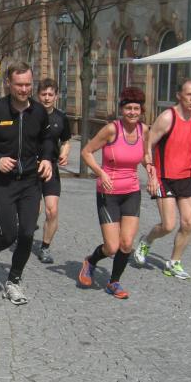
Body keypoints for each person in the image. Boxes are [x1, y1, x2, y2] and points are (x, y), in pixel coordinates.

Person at [0, 61, 54, 305]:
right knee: (9, 235)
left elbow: (48, 139)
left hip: (30, 182)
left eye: (28, 84)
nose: (24, 89)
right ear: (8, 83)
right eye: (19, 85)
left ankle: (13, 281)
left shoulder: (39, 112)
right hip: (4, 183)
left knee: (26, 234)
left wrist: (47, 158)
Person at [133, 78, 191, 279]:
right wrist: (152, 175)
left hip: (187, 178)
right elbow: (147, 146)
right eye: (189, 94)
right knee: (168, 225)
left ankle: (174, 262)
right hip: (164, 178)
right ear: (179, 95)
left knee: (188, 223)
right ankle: (146, 240)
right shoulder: (167, 118)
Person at [77, 87, 155, 299]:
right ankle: (91, 261)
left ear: (141, 110)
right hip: (108, 193)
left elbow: (145, 155)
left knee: (127, 243)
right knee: (112, 247)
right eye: (128, 108)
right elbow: (86, 152)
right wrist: (101, 173)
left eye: (136, 108)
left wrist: (151, 171)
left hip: (131, 191)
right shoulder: (111, 130)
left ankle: (114, 282)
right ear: (122, 109)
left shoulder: (144, 130)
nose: (132, 112)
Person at [35, 78, 71, 264]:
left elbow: (66, 141)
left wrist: (64, 153)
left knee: (52, 211)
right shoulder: (29, 114)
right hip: (31, 168)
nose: (47, 98)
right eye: (44, 94)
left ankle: (45, 247)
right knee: (34, 211)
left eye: (50, 94)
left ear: (56, 96)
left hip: (51, 168)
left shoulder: (61, 118)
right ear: (38, 95)